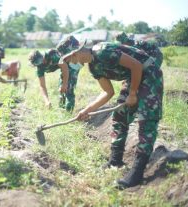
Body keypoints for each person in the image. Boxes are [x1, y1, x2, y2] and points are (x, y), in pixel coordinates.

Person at [57, 35, 163, 188]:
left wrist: (133, 93)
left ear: (76, 53)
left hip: (149, 73)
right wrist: (86, 110)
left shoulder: (103, 51)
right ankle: (115, 161)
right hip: (132, 77)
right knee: (120, 115)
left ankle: (137, 172)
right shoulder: (93, 67)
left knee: (146, 120)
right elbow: (108, 92)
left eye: (69, 61)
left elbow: (137, 66)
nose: (71, 65)